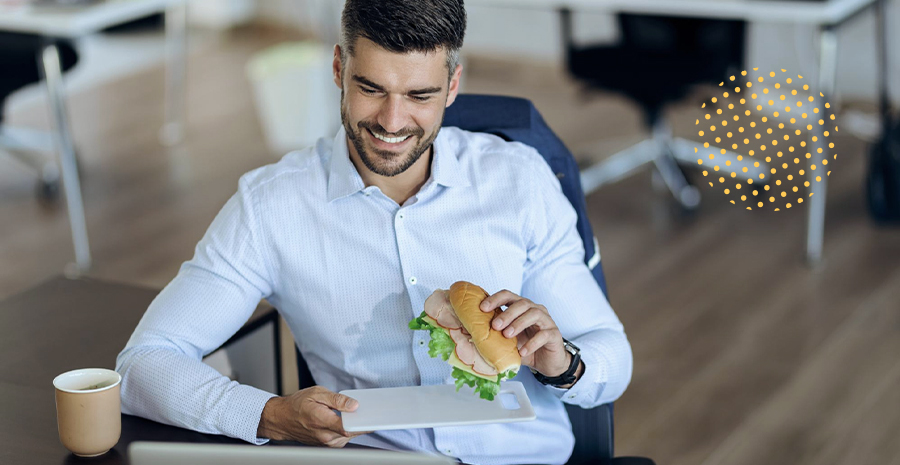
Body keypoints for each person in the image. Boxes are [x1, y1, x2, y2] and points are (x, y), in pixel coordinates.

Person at [116, 1, 633, 463]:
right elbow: (144, 364)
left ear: (452, 86)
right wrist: (269, 415)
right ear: (339, 69)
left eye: (420, 94)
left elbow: (612, 354)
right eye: (371, 89)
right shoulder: (270, 206)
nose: (392, 120)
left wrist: (562, 363)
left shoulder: (519, 178)